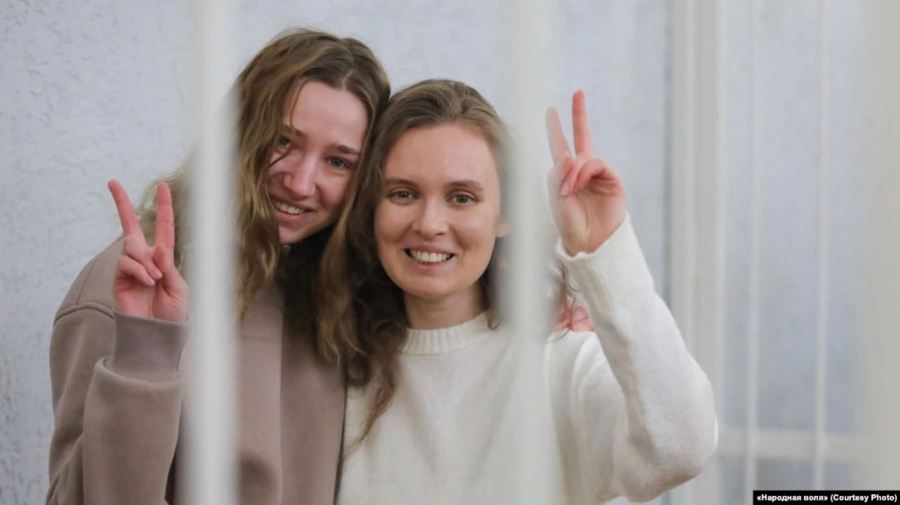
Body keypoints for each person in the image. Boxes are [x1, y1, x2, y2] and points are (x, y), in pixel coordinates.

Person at [319, 79, 718, 504]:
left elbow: (680, 449)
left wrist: (605, 253)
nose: (430, 223)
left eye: (461, 198)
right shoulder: (335, 368)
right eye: (403, 193)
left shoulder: (560, 361)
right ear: (370, 210)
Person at [46, 28, 390, 505]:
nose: (301, 181)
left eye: (338, 161)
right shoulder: (132, 285)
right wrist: (146, 352)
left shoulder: (336, 290)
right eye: (284, 141)